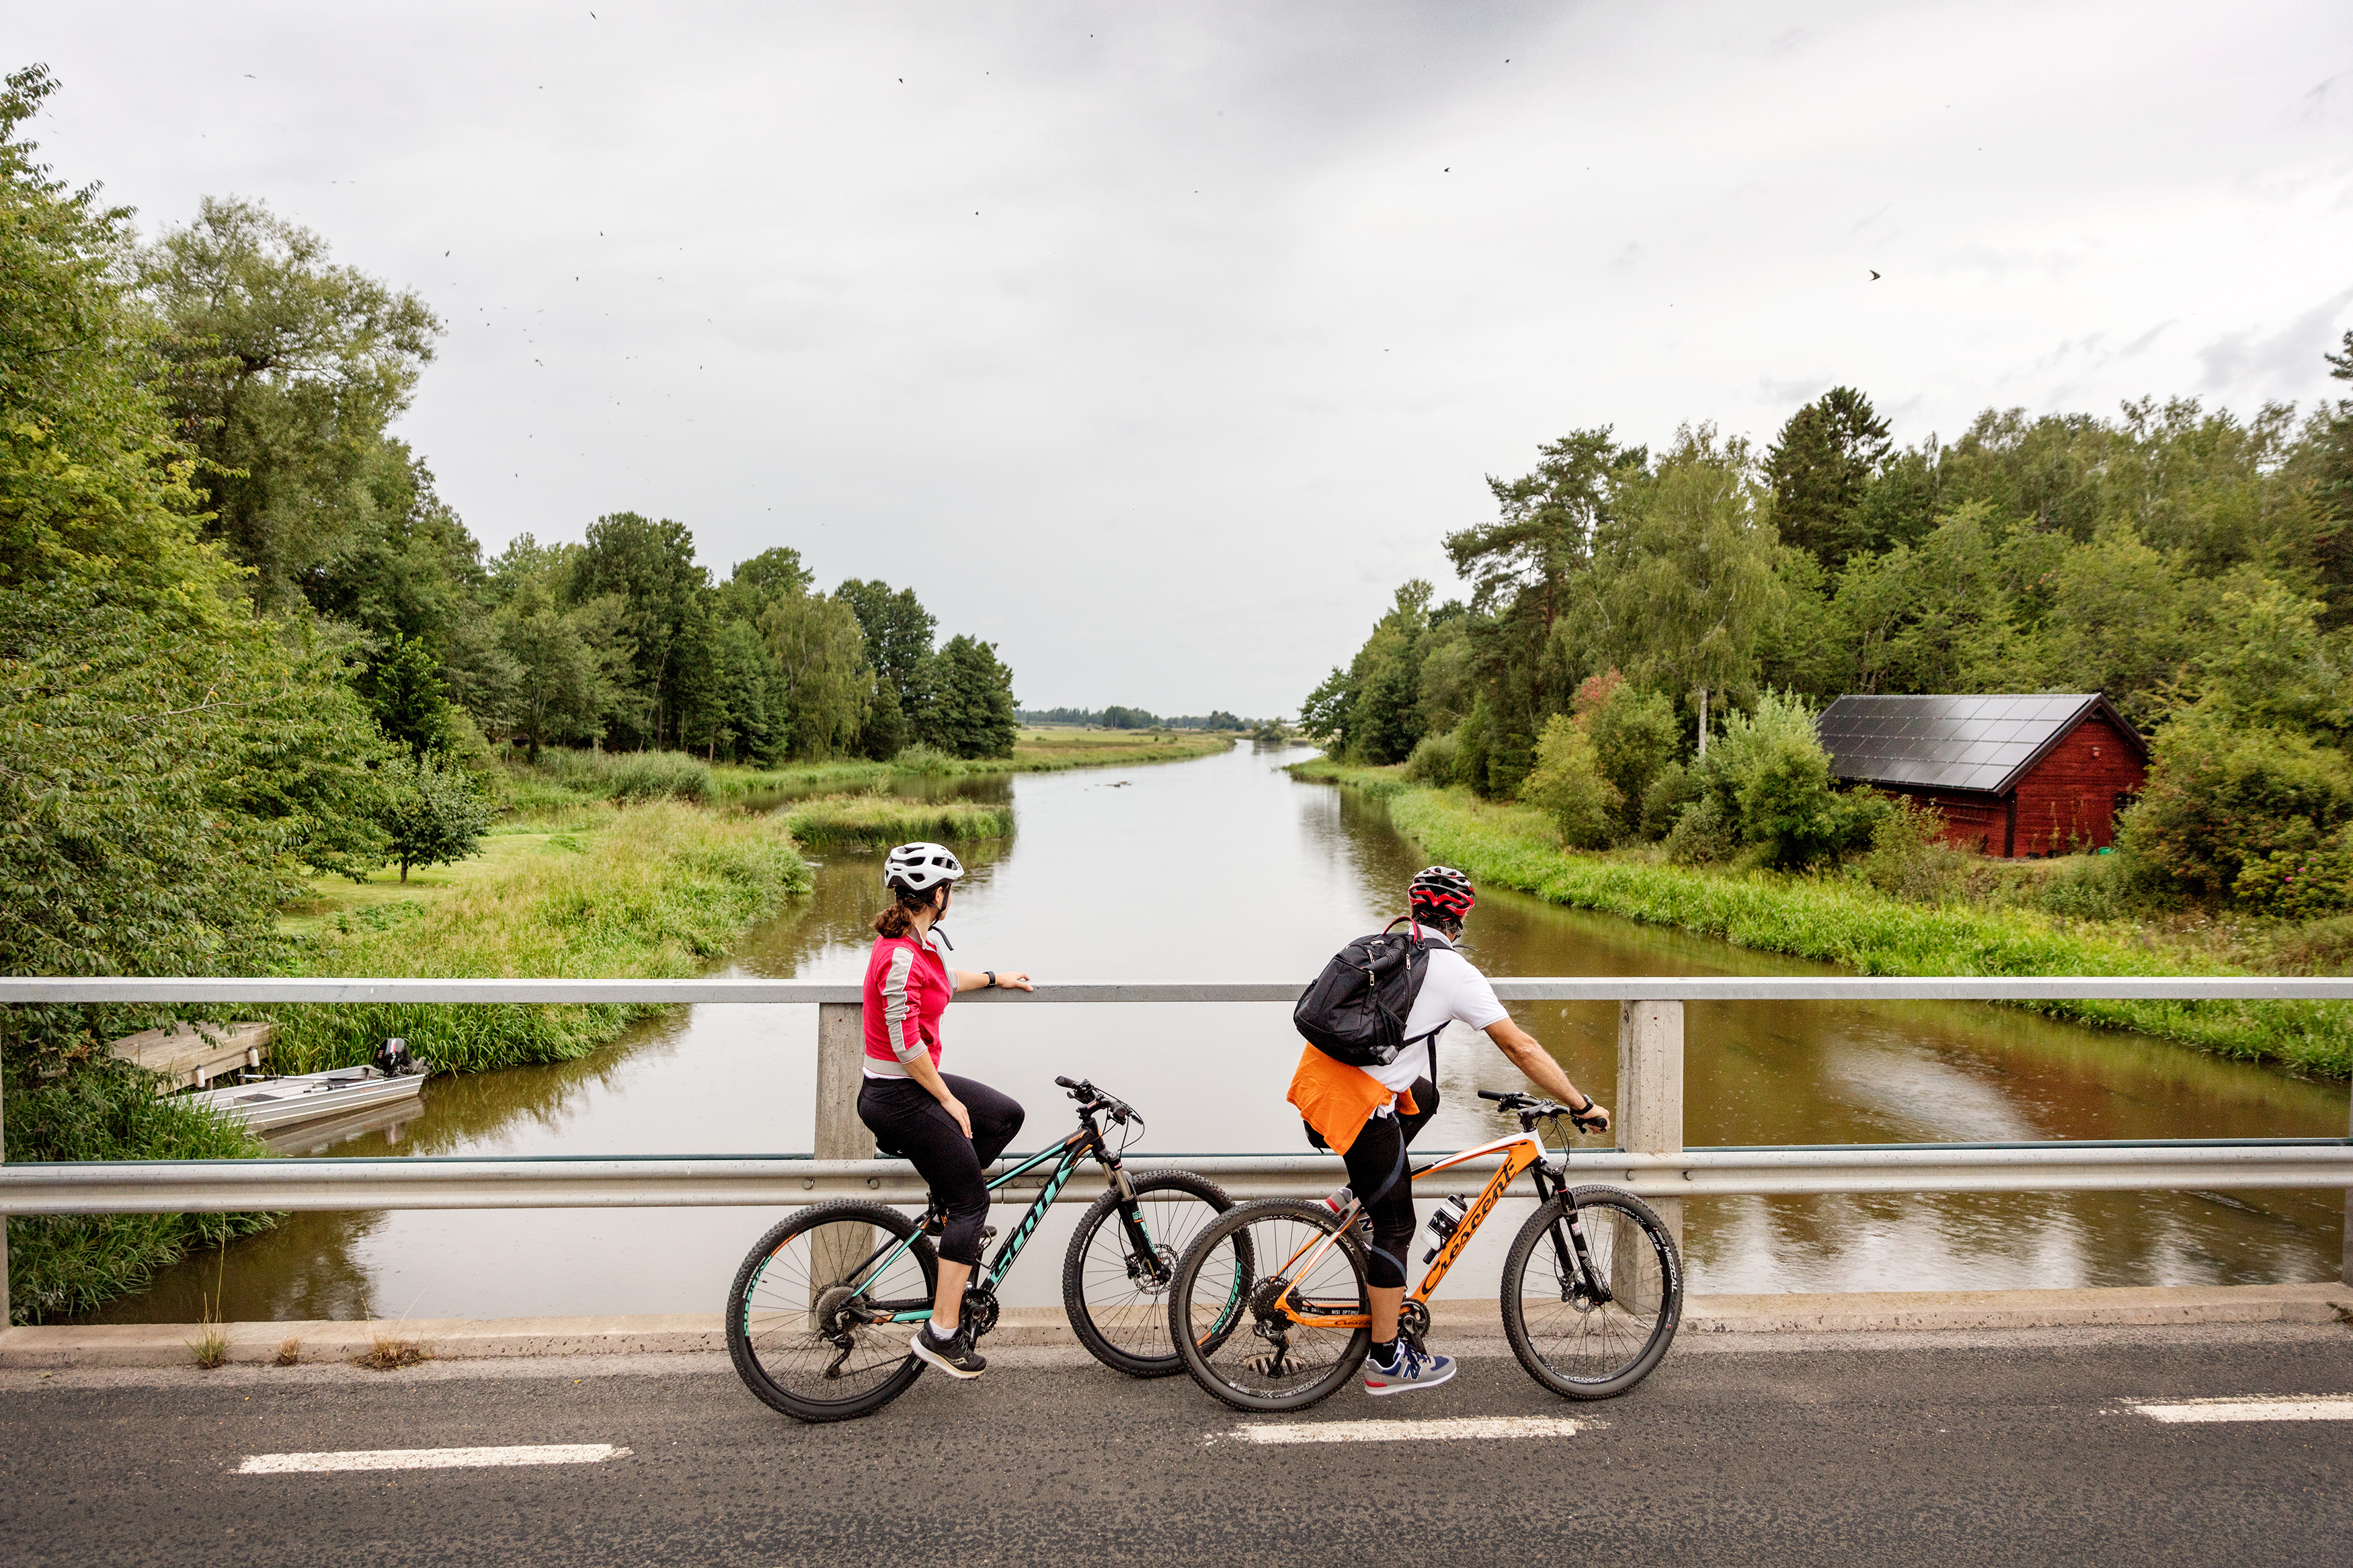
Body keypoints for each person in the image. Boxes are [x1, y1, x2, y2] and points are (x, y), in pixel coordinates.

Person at [1287, 865, 1611, 1397]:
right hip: (1357, 1106)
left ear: (1413, 909)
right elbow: (1520, 1046)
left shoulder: (1388, 949)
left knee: (1426, 1094)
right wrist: (1581, 1103)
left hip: (1317, 1086)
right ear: (1459, 921)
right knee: (1397, 1227)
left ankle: (1355, 1196)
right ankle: (1387, 1361)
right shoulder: (1455, 972)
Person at [856, 841, 1034, 1380]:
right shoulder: (899, 955)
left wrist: (997, 977)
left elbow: (946, 980)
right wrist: (948, 1099)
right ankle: (941, 1333)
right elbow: (905, 1044)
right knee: (972, 1202)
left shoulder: (919, 942)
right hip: (897, 1097)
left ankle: (944, 1209)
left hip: (912, 1088)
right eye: (949, 888)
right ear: (937, 894)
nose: (950, 895)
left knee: (1005, 1116)